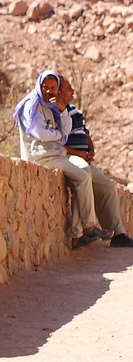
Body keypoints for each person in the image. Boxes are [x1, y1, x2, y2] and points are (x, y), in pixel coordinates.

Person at [13, 69, 112, 249]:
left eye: (53, 88)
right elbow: (40, 134)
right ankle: (88, 228)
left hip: (55, 154)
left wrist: (62, 110)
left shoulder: (52, 106)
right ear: (39, 86)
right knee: (82, 178)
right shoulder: (31, 105)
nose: (49, 91)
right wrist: (58, 135)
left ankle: (78, 233)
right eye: (45, 87)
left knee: (83, 173)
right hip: (41, 156)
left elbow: (66, 130)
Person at [60, 77, 133, 247]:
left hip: (83, 158)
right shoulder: (55, 113)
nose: (73, 91)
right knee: (83, 179)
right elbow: (56, 143)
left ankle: (118, 235)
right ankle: (83, 231)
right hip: (69, 158)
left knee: (108, 186)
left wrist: (90, 150)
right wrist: (79, 153)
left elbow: (86, 134)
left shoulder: (75, 111)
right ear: (59, 92)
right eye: (68, 88)